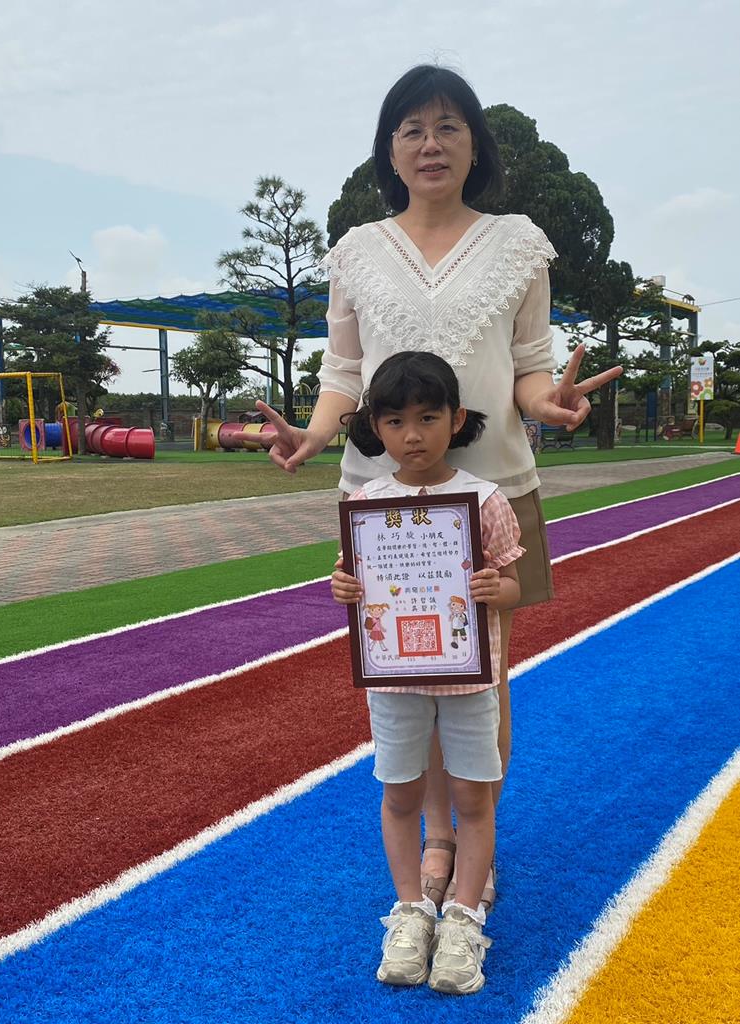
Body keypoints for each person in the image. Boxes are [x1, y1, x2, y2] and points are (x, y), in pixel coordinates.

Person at [240, 64, 621, 914]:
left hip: (491, 492)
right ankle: (437, 841)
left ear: (475, 145)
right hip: (384, 505)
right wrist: (314, 432)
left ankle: (473, 840)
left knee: (482, 676)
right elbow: (344, 370)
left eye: (448, 126)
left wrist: (548, 404)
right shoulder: (356, 250)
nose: (430, 143)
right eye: (411, 128)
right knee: (408, 672)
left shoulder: (518, 242)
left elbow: (527, 366)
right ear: (389, 150)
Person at [333, 351, 523, 994]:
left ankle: (464, 918)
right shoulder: (366, 503)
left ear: (456, 419)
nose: (411, 435)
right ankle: (411, 911)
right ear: (376, 427)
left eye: (427, 418)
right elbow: (354, 580)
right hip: (395, 682)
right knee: (399, 795)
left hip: (468, 681)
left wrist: (496, 589)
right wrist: (343, 588)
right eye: (394, 421)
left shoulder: (484, 499)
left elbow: (513, 584)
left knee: (473, 798)